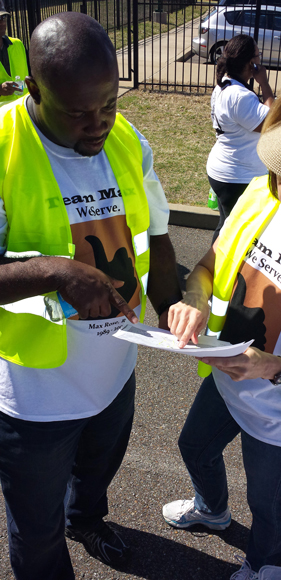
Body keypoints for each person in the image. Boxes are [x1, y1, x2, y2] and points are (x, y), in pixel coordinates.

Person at [0, 11, 182, 580]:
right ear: (34, 89)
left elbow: (158, 236)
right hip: (36, 398)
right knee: (36, 530)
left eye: (108, 104)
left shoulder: (128, 139)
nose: (98, 124)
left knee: (96, 475)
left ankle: (89, 518)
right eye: (78, 113)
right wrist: (54, 271)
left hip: (115, 369)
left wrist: (177, 307)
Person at [162, 70, 281, 579]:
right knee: (193, 446)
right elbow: (209, 265)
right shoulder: (258, 193)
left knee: (268, 502)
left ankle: (263, 563)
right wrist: (192, 298)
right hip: (226, 376)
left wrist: (274, 367)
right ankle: (212, 510)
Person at [207, 34, 274, 243]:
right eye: (258, 55)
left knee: (226, 226)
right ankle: (218, 270)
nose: (260, 59)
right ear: (250, 62)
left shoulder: (224, 86)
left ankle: (214, 269)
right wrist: (264, 83)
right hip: (237, 178)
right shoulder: (240, 96)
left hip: (226, 171)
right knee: (237, 234)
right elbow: (272, 122)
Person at [0, 0, 28, 105]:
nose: (2, 22)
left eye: (3, 18)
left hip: (23, 109)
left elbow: (28, 76)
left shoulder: (17, 44)